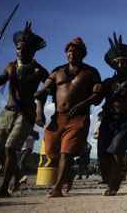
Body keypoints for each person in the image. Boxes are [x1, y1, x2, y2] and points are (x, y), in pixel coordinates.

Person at [0, 22, 49, 198]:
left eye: (24, 48)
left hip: (25, 114)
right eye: (18, 48)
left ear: (33, 51)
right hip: (7, 113)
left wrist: (39, 111)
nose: (20, 51)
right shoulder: (10, 67)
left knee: (10, 148)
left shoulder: (39, 70)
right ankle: (18, 174)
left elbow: (45, 91)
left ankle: (4, 188)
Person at [35, 37, 101, 197]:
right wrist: (39, 108)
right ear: (66, 53)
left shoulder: (91, 72)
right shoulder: (57, 71)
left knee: (67, 152)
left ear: (83, 53)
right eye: (69, 51)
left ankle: (57, 187)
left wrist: (83, 104)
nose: (72, 53)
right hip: (58, 118)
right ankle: (68, 173)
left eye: (76, 50)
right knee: (51, 151)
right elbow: (45, 89)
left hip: (78, 118)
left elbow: (98, 97)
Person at [95, 34, 127, 195]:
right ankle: (114, 177)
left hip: (125, 121)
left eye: (124, 62)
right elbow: (96, 101)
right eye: (118, 62)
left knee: (116, 150)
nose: (121, 65)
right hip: (107, 120)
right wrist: (96, 91)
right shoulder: (108, 83)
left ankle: (113, 186)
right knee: (103, 153)